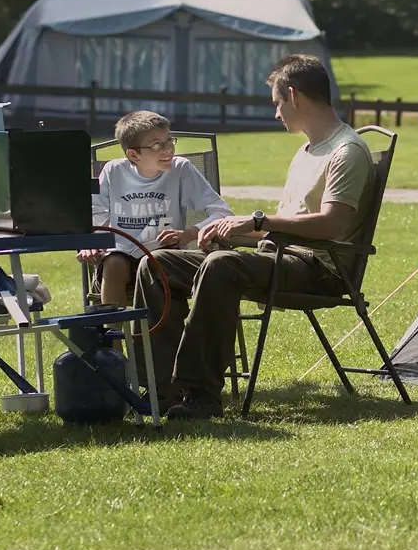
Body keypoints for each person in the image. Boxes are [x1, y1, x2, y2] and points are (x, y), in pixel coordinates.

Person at [136, 54, 374, 419]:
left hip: (319, 268)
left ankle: (201, 395)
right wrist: (231, 236)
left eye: (278, 103)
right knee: (157, 264)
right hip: (278, 256)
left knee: (221, 266)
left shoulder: (347, 151)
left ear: (293, 96)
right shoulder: (308, 150)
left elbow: (330, 226)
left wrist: (256, 222)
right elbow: (283, 228)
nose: (277, 114)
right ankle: (159, 388)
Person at [80, 111, 233, 306]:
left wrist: (187, 234)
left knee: (158, 262)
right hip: (121, 256)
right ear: (133, 155)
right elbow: (95, 215)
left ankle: (156, 335)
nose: (168, 149)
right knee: (114, 263)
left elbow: (222, 213)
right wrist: (92, 242)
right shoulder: (114, 171)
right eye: (157, 145)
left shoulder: (180, 169)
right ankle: (114, 335)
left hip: (164, 254)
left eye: (169, 140)